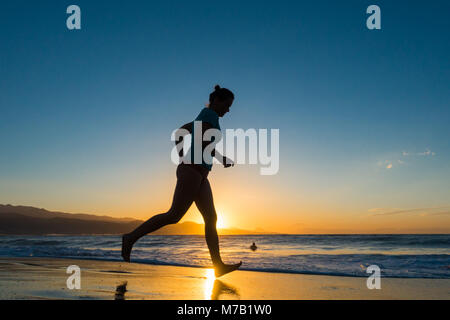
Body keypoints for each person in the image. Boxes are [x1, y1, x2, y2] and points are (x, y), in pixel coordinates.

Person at [121, 85, 242, 277]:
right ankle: (130, 238)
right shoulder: (209, 115)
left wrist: (218, 158)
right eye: (227, 105)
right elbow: (185, 133)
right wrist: (183, 157)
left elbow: (193, 137)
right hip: (191, 171)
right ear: (217, 101)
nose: (229, 110)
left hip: (200, 174)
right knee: (174, 215)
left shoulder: (208, 116)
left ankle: (218, 265)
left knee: (211, 218)